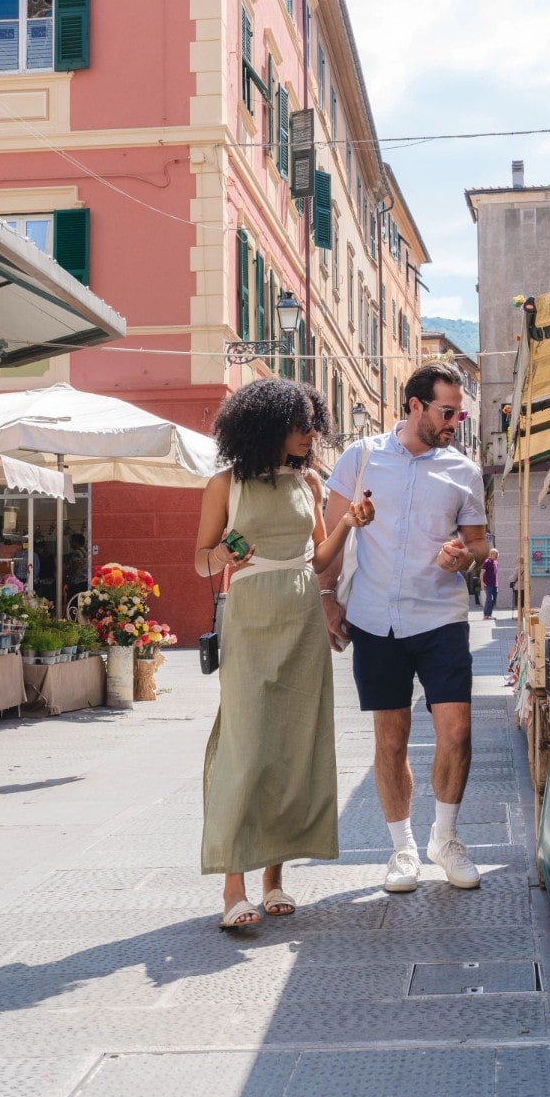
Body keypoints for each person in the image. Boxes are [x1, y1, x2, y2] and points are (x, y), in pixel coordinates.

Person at [195, 378, 371, 930]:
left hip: (301, 619)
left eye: (311, 424)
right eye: (299, 425)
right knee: (246, 747)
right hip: (249, 620)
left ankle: (273, 879)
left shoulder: (310, 482)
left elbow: (318, 561)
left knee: (293, 746)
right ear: (266, 427)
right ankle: (233, 887)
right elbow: (199, 560)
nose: (309, 434)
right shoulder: (225, 484)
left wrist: (347, 523)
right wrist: (222, 555)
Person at [322, 362, 489, 896]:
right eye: (447, 412)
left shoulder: (463, 471)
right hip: (375, 618)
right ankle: (402, 848)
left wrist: (465, 555)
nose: (454, 423)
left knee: (456, 732)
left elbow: (480, 544)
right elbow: (332, 534)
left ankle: (446, 838)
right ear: (415, 405)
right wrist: (327, 598)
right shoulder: (360, 457)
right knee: (391, 739)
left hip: (440, 617)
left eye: (459, 415)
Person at [481, 548, 499, 620]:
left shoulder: (496, 562)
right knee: (489, 599)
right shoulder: (486, 562)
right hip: (488, 584)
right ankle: (485, 615)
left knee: (493, 600)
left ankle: (489, 614)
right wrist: (482, 582)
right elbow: (482, 573)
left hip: (495, 584)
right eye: (496, 554)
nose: (497, 556)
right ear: (491, 554)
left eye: (497, 554)